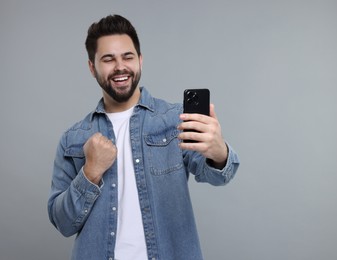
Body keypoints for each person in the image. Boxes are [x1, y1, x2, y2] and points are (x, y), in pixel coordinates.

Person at [47, 14, 239, 260]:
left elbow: (218, 176)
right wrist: (90, 173)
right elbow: (63, 223)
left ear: (140, 60)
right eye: (108, 59)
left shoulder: (175, 120)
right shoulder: (73, 139)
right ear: (92, 67)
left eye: (127, 56)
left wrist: (219, 153)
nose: (120, 66)